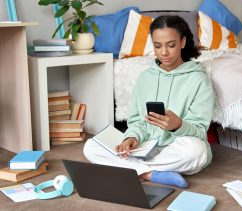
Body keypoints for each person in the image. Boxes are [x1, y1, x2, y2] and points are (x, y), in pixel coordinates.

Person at [83, 15, 214, 188]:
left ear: (182, 42)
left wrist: (178, 125)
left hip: (176, 147)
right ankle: (151, 174)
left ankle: (135, 170)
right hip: (144, 146)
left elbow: (199, 131)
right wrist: (131, 138)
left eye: (171, 45)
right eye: (158, 46)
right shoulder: (146, 77)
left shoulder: (198, 80)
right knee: (91, 147)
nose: (164, 52)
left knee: (197, 151)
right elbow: (137, 121)